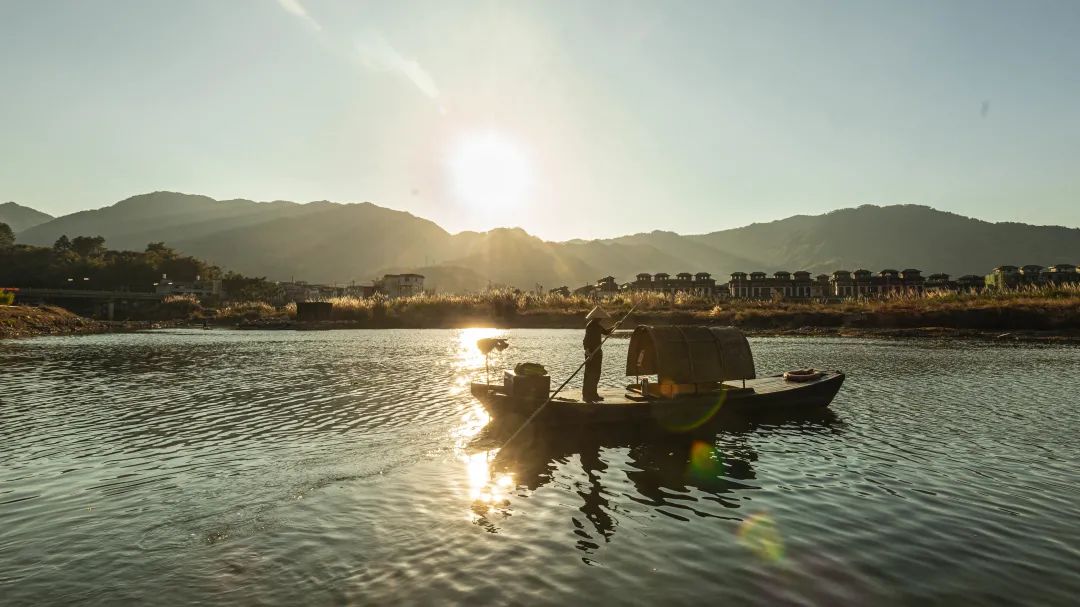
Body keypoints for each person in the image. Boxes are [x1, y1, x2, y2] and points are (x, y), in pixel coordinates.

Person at [582, 306, 613, 402]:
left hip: (597, 352)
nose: (601, 319)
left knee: (596, 374)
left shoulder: (598, 325)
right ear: (597, 318)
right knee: (590, 374)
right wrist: (587, 351)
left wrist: (616, 326)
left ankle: (593, 394)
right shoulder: (591, 326)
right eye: (600, 318)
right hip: (591, 353)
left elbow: (606, 332)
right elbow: (586, 340)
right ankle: (587, 395)